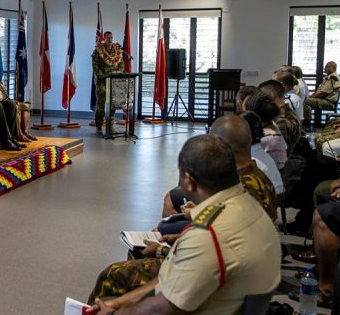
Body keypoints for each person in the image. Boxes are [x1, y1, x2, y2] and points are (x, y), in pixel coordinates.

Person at [89, 115, 278, 305]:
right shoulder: (252, 185)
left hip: (216, 286)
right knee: (140, 253)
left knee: (112, 274)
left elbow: (168, 301)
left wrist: (118, 309)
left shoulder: (212, 227)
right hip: (233, 279)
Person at [0, 61, 36, 142]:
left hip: (5, 102)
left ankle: (25, 133)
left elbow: (5, 96)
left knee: (25, 107)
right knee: (16, 107)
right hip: (0, 105)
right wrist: (10, 101)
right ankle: (18, 135)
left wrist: (12, 100)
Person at [91, 31, 124, 135]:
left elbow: (121, 65)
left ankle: (110, 126)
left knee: (113, 105)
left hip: (114, 81)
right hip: (102, 82)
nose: (110, 39)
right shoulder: (98, 50)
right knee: (101, 104)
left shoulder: (117, 50)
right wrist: (102, 76)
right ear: (104, 39)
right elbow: (95, 65)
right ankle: (99, 127)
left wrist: (117, 73)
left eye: (111, 37)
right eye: (108, 38)